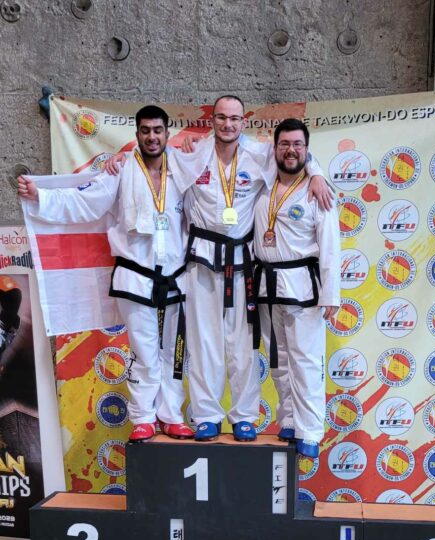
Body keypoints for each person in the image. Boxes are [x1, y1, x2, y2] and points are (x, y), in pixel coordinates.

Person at [108, 95, 332, 441]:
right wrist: (119, 159)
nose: (228, 124)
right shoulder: (192, 155)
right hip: (200, 261)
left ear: (244, 122)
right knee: (202, 343)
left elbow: (293, 154)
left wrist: (315, 174)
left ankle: (244, 416)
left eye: (234, 119)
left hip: (242, 262)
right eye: (222, 118)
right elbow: (151, 157)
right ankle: (207, 415)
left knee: (243, 345)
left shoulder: (260, 155)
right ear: (212, 121)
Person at [18, 105, 194, 442]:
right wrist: (42, 196)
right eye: (145, 130)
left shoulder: (183, 168)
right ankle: (144, 417)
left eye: (158, 130)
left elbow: (218, 167)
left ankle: (172, 415)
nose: (152, 137)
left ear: (167, 134)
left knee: (175, 352)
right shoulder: (121, 169)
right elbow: (85, 202)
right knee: (145, 351)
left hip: (176, 277)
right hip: (135, 276)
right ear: (137, 134)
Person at [253, 118, 340, 458]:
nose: (291, 150)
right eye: (284, 144)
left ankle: (310, 431)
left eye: (298, 145)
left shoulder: (318, 190)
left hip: (303, 286)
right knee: (279, 360)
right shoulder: (262, 182)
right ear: (275, 148)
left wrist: (331, 294)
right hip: (267, 285)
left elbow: (330, 246)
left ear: (307, 149)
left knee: (305, 361)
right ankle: (288, 419)